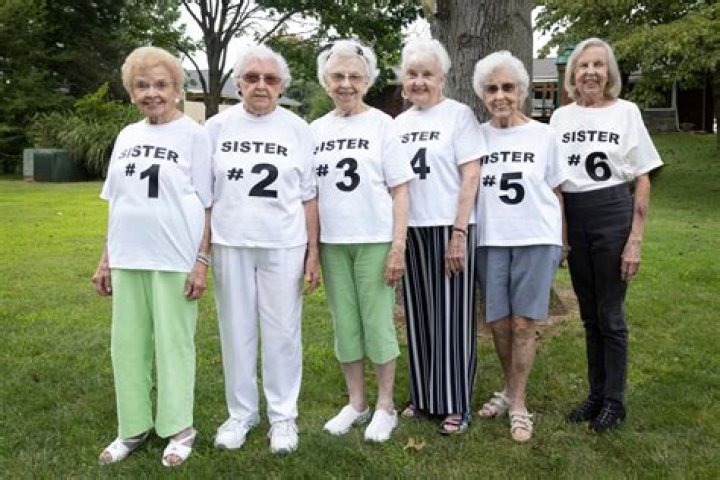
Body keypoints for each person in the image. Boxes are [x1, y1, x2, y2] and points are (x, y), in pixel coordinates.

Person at [93, 46, 212, 467]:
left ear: (177, 89)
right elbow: (117, 201)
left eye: (161, 85)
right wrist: (106, 258)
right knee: (127, 346)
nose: (152, 93)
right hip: (129, 256)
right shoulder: (127, 136)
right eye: (142, 86)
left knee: (173, 345)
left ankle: (180, 428)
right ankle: (133, 426)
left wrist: (202, 261)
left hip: (174, 257)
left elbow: (208, 204)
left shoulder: (195, 136)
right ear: (131, 92)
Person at [206, 44, 319, 454]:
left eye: (270, 79)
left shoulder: (298, 129)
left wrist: (313, 252)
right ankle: (241, 413)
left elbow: (309, 195)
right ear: (238, 83)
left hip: (284, 242)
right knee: (236, 330)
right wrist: (202, 251)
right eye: (251, 78)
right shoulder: (216, 128)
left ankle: (283, 416)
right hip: (230, 241)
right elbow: (204, 195)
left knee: (282, 332)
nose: (260, 85)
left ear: (281, 86)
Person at [550, 38, 663, 433]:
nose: (591, 72)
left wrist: (635, 239)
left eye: (598, 65)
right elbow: (557, 184)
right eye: (583, 66)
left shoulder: (626, 112)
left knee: (610, 314)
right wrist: (562, 235)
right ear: (573, 73)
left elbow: (643, 177)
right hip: (575, 213)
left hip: (613, 212)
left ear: (609, 72)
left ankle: (615, 400)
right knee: (588, 315)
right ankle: (596, 394)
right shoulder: (560, 118)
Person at [312, 40, 414, 443]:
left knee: (376, 322)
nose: (346, 84)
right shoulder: (315, 130)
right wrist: (312, 250)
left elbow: (401, 190)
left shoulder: (384, 125)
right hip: (333, 242)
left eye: (354, 76)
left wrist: (398, 246)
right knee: (345, 324)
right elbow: (309, 195)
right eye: (338, 76)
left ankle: (386, 405)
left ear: (367, 81)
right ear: (326, 81)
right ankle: (356, 403)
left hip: (374, 238)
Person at [471, 51, 568, 442]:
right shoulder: (475, 136)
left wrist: (562, 241)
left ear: (522, 91)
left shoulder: (544, 135)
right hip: (490, 240)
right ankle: (509, 389)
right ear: (482, 94)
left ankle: (519, 404)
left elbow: (557, 191)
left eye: (508, 87)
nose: (500, 96)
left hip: (536, 238)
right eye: (492, 88)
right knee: (497, 324)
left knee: (524, 324)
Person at [394, 39, 484, 435]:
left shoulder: (459, 115)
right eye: (412, 74)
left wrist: (459, 232)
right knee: (419, 315)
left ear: (442, 78)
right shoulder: (398, 124)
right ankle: (424, 396)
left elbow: (471, 175)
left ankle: (456, 402)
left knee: (453, 317)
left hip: (450, 226)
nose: (419, 81)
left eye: (427, 74)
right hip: (411, 228)